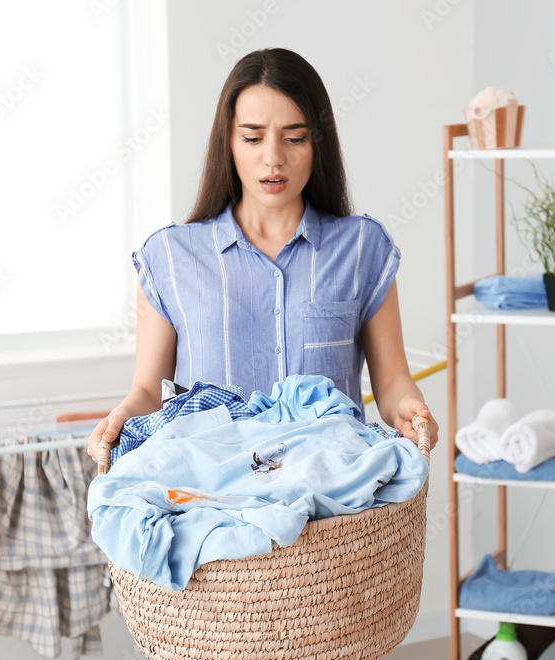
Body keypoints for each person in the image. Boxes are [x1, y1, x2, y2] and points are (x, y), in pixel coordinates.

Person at [87, 48, 438, 463]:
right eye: (252, 138)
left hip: (333, 503)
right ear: (229, 143)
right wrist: (120, 419)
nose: (273, 157)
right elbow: (148, 391)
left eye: (295, 137)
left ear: (318, 144)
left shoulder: (362, 248)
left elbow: (393, 379)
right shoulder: (168, 257)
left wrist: (410, 408)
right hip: (210, 500)